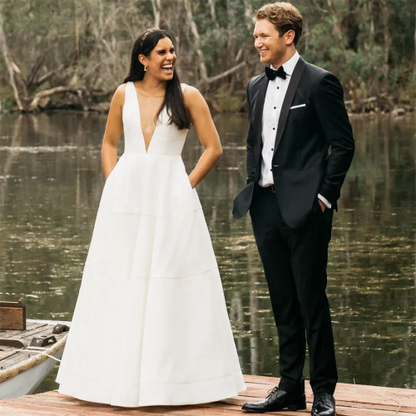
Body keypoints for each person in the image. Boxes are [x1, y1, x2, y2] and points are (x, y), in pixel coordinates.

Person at [57, 28, 246, 408]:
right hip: (124, 203)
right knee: (121, 281)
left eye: (173, 50)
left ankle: (175, 382)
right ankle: (114, 377)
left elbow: (213, 148)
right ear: (142, 59)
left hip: (172, 200)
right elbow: (109, 143)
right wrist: (114, 185)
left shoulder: (188, 96)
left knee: (171, 282)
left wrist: (184, 186)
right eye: (161, 52)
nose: (170, 57)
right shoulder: (123, 94)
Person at [233, 3, 354, 415]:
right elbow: (254, 143)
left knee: (310, 299)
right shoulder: (254, 85)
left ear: (288, 36)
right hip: (264, 206)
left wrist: (323, 197)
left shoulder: (320, 82)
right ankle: (288, 388)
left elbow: (343, 144)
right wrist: (254, 183)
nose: (257, 42)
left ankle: (323, 390)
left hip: (307, 209)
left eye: (263, 35)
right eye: (255, 35)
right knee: (282, 300)